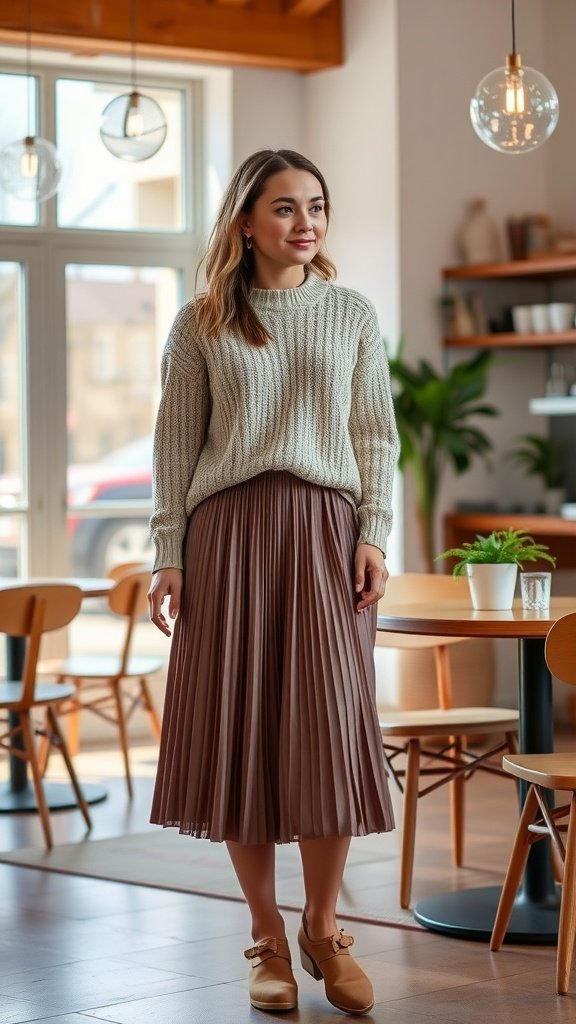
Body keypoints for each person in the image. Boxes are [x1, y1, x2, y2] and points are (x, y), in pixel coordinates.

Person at [148, 148, 399, 1016]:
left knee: (331, 730)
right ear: (247, 221)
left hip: (329, 538)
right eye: (286, 208)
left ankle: (322, 928)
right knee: (239, 736)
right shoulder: (204, 321)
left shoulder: (351, 314)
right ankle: (265, 933)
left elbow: (375, 438)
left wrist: (375, 534)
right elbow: (176, 448)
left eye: (317, 207)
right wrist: (168, 553)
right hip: (227, 538)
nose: (306, 224)